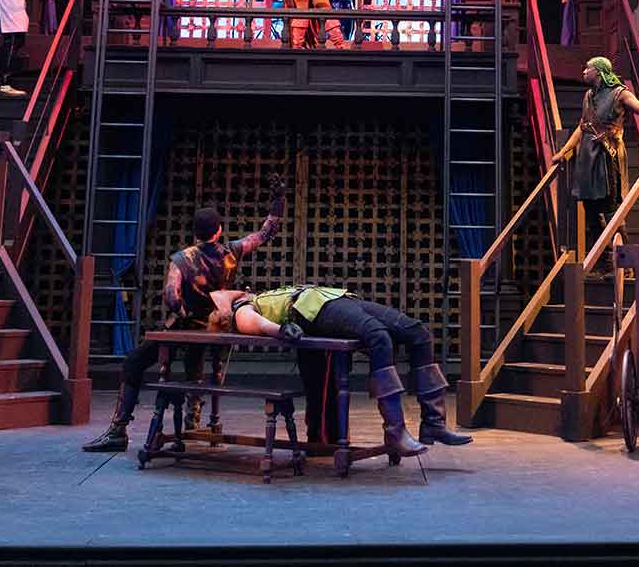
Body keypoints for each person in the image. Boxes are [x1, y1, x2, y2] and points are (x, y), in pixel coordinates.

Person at [82, 171, 287, 452]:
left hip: (184, 328)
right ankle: (193, 420)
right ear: (218, 231)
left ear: (195, 233)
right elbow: (266, 232)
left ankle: (119, 429)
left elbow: (171, 297)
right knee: (195, 363)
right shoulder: (231, 252)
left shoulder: (181, 260)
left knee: (134, 363)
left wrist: (184, 310)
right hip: (215, 328)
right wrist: (278, 201)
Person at [209, 285, 473, 455]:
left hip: (336, 298)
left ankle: (434, 424)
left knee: (418, 332)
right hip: (312, 309)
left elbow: (226, 292)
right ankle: (395, 432)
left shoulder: (250, 298)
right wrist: (279, 329)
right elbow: (247, 318)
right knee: (378, 336)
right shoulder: (240, 311)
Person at [556, 56, 639, 248]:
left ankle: (625, 259)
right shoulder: (588, 96)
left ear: (599, 71)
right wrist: (564, 151)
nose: (584, 72)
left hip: (607, 156)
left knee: (612, 209)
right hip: (588, 158)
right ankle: (605, 260)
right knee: (591, 211)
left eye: (588, 69)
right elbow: (583, 126)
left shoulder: (620, 93)